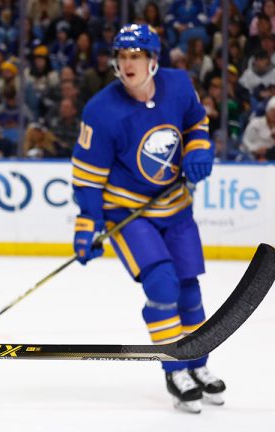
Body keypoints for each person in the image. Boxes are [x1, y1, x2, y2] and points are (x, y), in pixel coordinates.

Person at [71, 24, 224, 414]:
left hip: (175, 205)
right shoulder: (101, 110)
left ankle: (198, 364)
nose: (128, 64)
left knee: (189, 289)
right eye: (122, 57)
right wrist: (87, 223)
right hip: (128, 213)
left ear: (153, 60)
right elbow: (87, 178)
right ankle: (175, 368)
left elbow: (195, 123)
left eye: (135, 56)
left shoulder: (178, 84)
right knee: (162, 284)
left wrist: (199, 150)